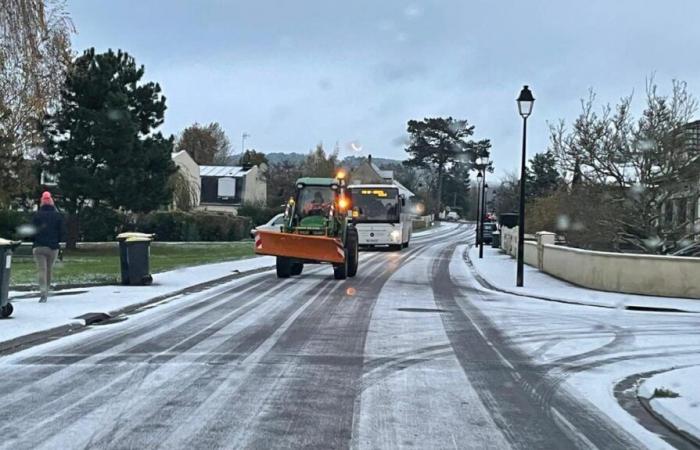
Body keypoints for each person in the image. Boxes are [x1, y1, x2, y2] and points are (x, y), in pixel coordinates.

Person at [32, 191, 65, 303]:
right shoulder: (57, 216)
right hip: (52, 247)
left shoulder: (37, 215)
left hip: (39, 246)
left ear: (42, 202)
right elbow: (62, 232)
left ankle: (43, 293)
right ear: (51, 202)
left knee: (42, 270)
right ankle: (47, 289)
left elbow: (32, 231)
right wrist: (57, 241)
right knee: (49, 270)